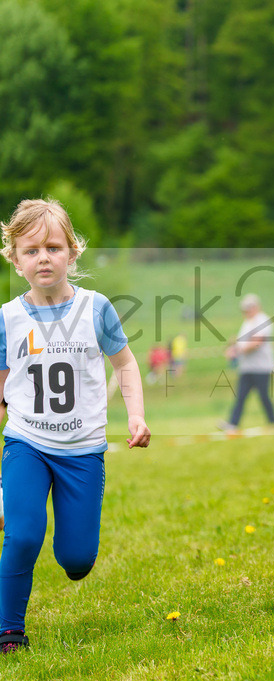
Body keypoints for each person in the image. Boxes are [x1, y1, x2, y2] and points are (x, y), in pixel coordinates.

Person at [0, 199, 150, 653]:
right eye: (31, 250)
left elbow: (125, 363)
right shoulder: (7, 318)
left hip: (83, 450)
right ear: (15, 258)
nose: (43, 257)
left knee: (77, 559)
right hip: (26, 441)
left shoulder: (95, 307)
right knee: (23, 535)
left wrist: (136, 413)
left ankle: (59, 543)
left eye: (53, 247)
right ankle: (9, 631)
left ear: (72, 252)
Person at [221, 294, 274, 436]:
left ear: (256, 307)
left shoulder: (263, 321)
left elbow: (257, 343)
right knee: (240, 396)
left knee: (264, 396)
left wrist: (237, 350)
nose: (246, 312)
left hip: (261, 367)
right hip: (247, 367)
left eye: (248, 308)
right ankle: (233, 423)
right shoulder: (247, 323)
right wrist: (233, 350)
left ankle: (273, 421)